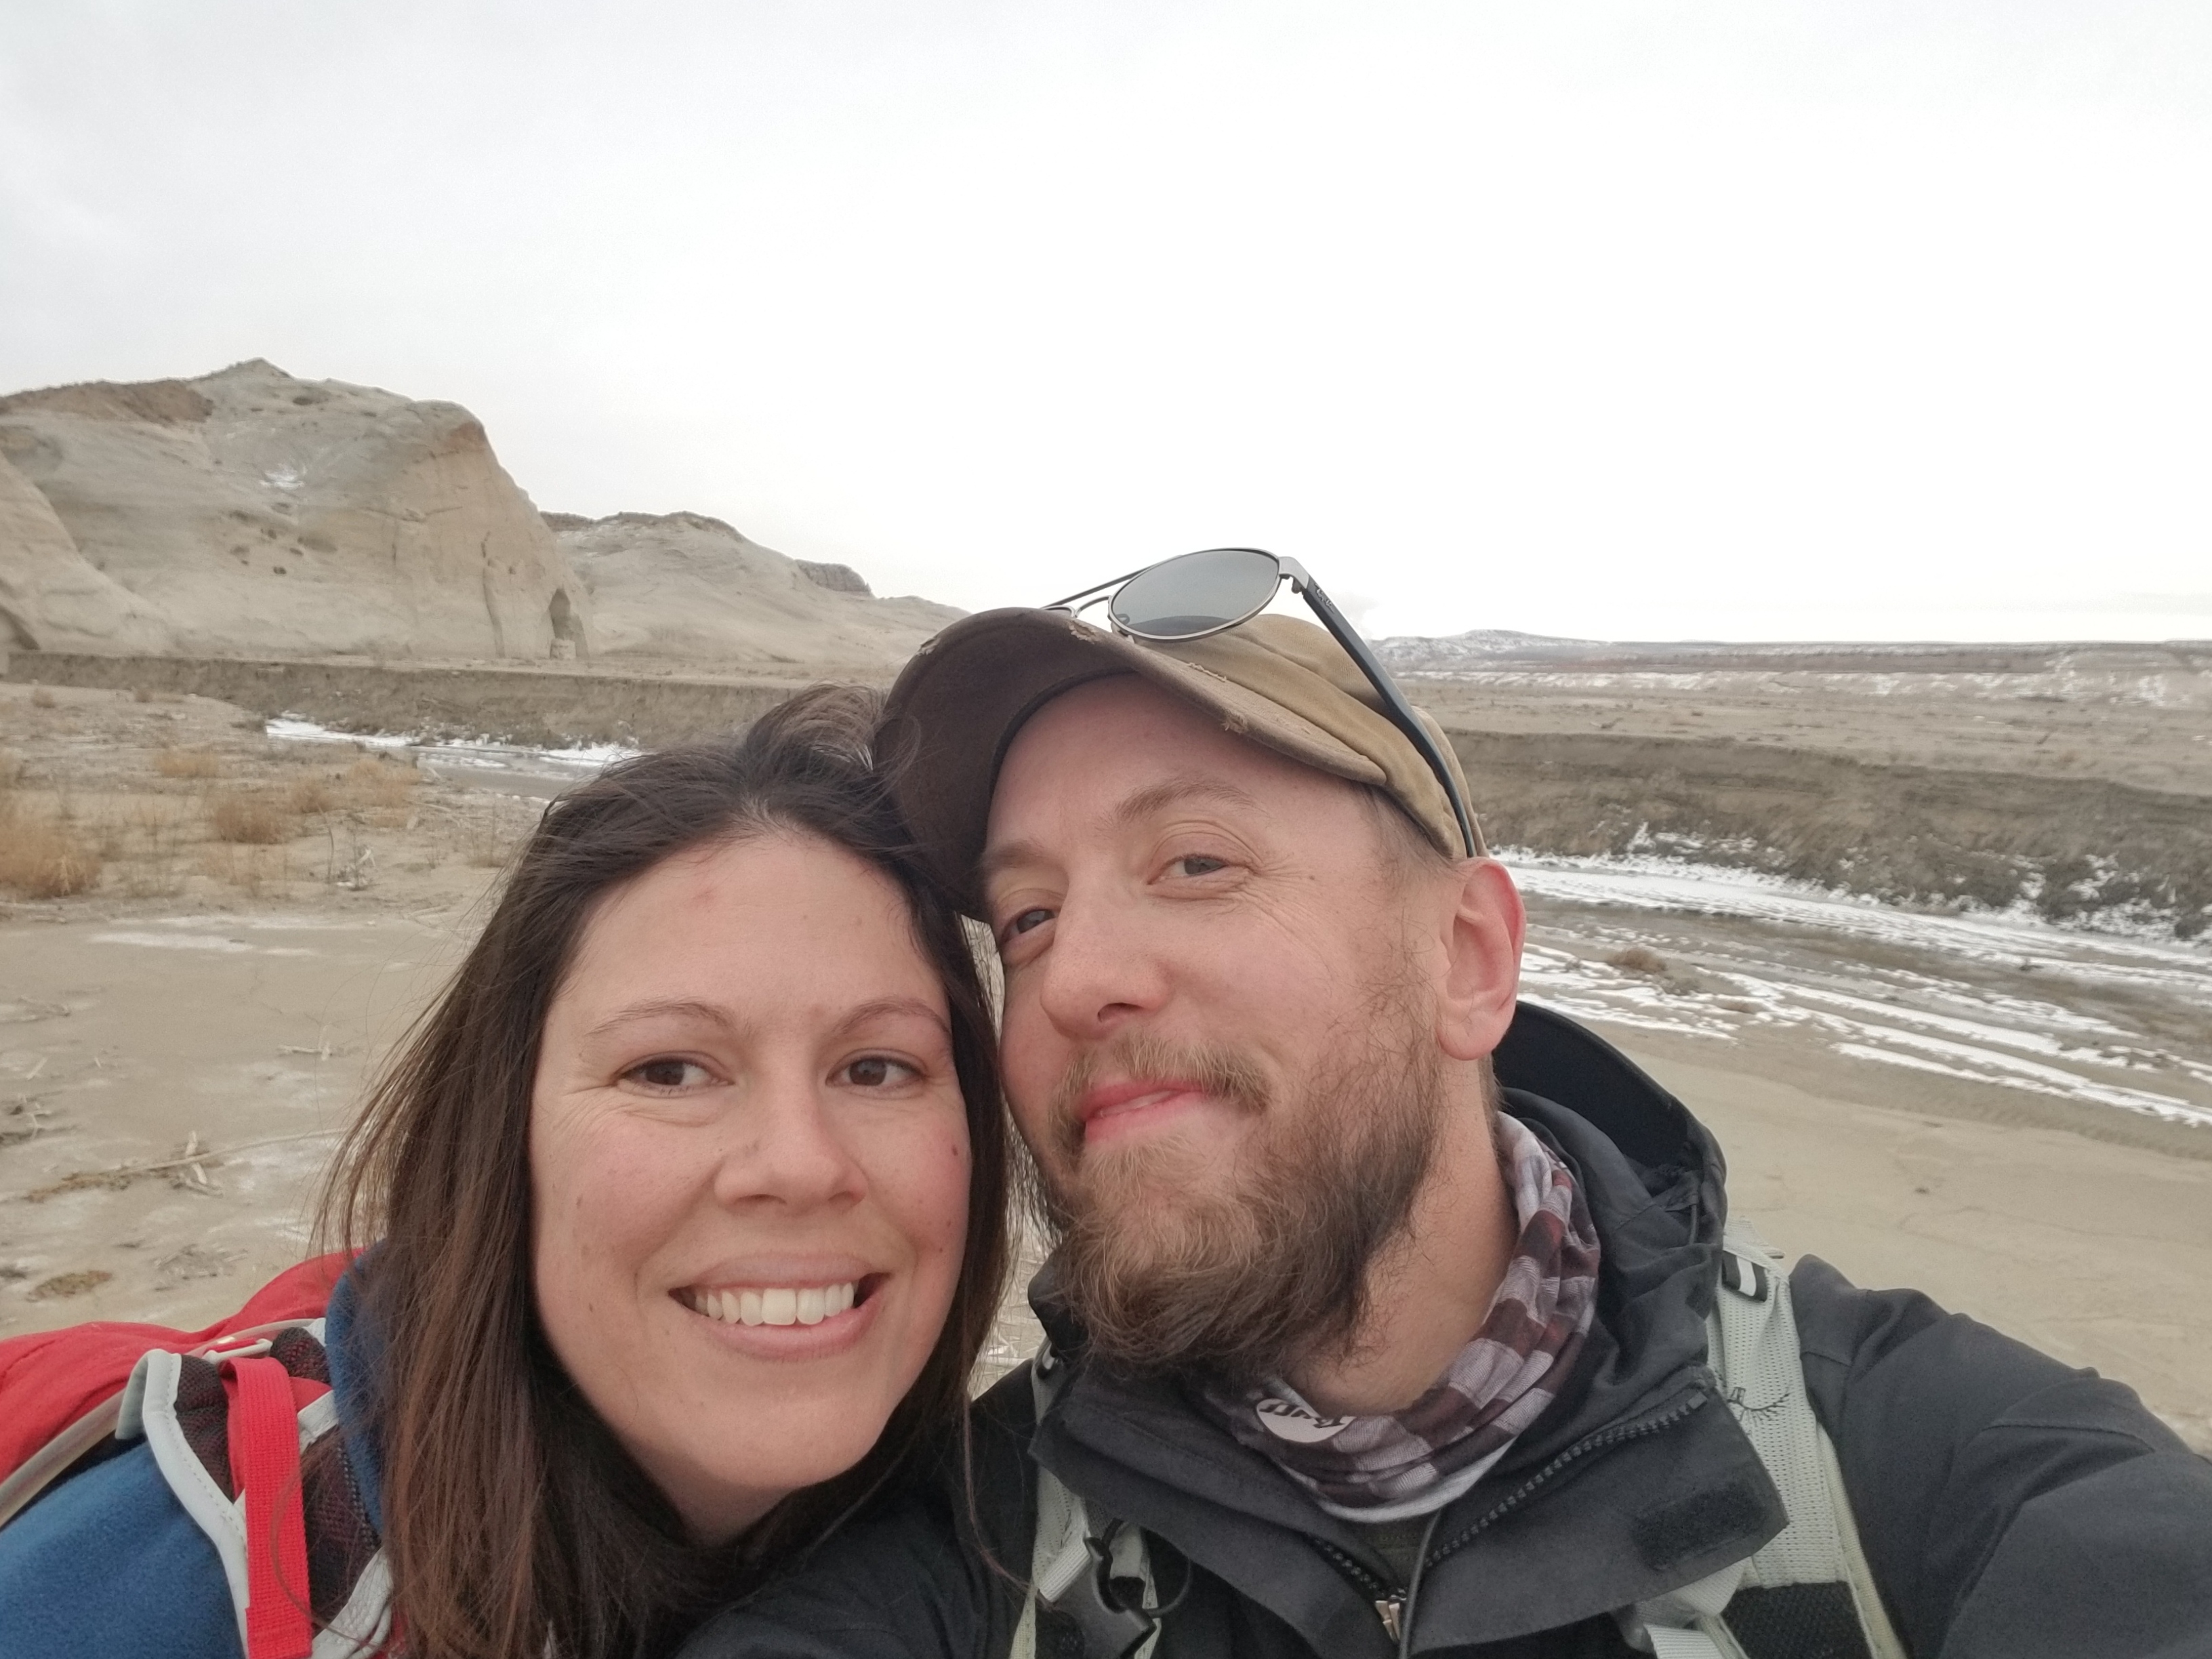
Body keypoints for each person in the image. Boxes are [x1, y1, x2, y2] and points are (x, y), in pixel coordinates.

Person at [684, 551, 2212, 1659]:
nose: (1075, 978)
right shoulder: (979, 1547)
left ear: (1467, 960)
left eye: (1197, 863)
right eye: (1026, 918)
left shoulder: (1905, 1470)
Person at [0, 685, 1010, 1659]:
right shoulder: (137, 1599)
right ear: (501, 1137)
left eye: (877, 1067)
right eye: (668, 1070)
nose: (800, 1164)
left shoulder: (1019, 1542)